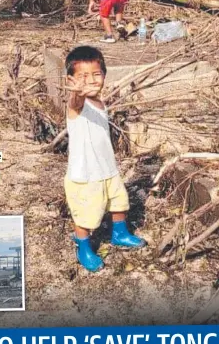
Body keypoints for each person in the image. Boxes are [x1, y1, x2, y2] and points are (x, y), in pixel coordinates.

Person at [64, 46, 146, 272]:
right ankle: (83, 247)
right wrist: (77, 92)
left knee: (119, 201)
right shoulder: (76, 105)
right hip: (86, 175)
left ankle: (119, 233)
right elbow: (75, 102)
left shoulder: (100, 102)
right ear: (71, 80)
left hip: (107, 168)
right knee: (86, 214)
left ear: (104, 75)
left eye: (96, 74)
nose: (90, 81)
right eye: (82, 76)